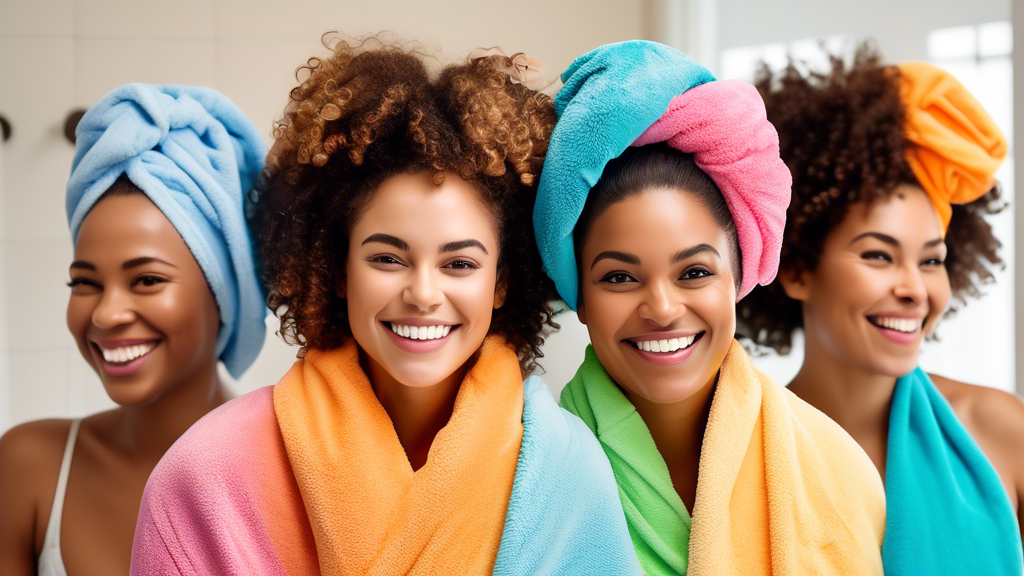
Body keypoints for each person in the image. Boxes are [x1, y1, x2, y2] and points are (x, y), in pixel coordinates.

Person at [130, 38, 641, 575]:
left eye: (459, 264)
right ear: (338, 268)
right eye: (388, 259)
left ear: (502, 283)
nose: (423, 294)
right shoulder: (205, 475)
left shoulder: (566, 473)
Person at [533, 40, 886, 575]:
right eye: (620, 277)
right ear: (578, 294)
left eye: (694, 272)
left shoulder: (840, 471)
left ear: (739, 276)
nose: (662, 307)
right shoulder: (534, 482)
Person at [737, 46, 1024, 574]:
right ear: (798, 268)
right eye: (878, 255)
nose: (916, 289)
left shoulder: (1002, 432)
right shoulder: (738, 451)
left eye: (932, 260)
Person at [0, 84, 267, 576]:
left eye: (146, 280)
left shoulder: (296, 471)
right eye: (85, 282)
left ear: (224, 293)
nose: (105, 314)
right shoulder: (29, 467)